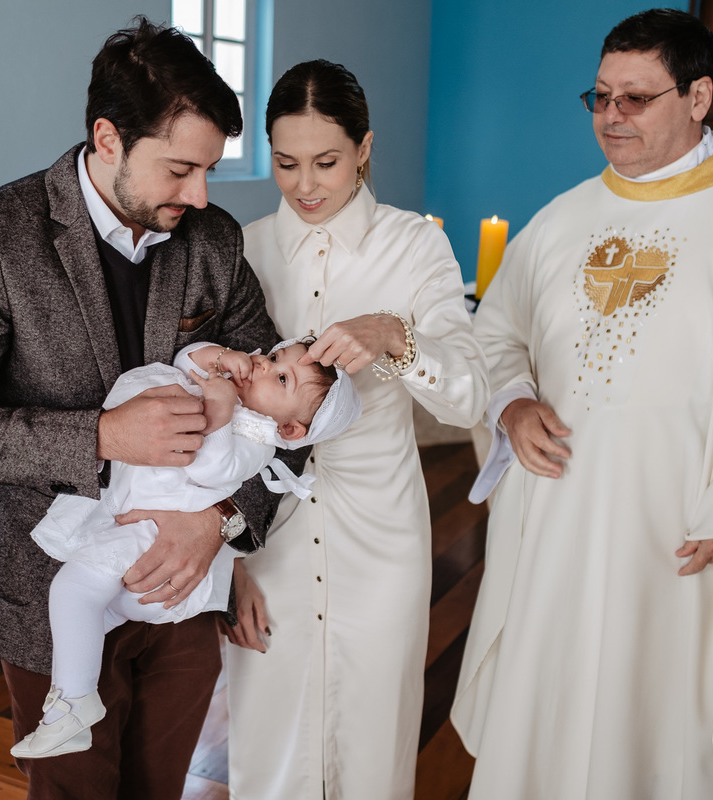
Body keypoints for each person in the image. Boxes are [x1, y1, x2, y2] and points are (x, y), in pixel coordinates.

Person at [0, 17, 302, 799]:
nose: (200, 195)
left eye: (209, 170)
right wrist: (102, 436)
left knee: (161, 784)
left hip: (182, 583)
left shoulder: (212, 241)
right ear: (108, 137)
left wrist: (219, 518)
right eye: (181, 169)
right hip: (43, 583)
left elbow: (288, 410)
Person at [452, 9, 713, 800]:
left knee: (659, 713)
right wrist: (510, 405)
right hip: (558, 517)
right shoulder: (564, 217)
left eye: (637, 99)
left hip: (683, 526)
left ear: (701, 96)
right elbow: (495, 333)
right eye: (601, 96)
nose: (612, 116)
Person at [224, 60, 489, 800]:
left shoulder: (415, 246)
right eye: (285, 163)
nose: (306, 185)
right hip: (266, 539)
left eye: (328, 162)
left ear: (365, 148)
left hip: (382, 539)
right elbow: (222, 417)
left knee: (374, 745)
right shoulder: (242, 249)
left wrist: (396, 337)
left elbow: (468, 397)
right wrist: (231, 561)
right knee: (268, 745)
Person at [14, 340, 360, 758]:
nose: (263, 368)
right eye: (272, 358)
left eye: (281, 378)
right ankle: (73, 704)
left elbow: (206, 463)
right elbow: (184, 361)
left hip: (156, 534)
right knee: (84, 612)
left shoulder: (255, 437)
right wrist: (216, 357)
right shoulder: (239, 391)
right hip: (136, 523)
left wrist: (221, 402)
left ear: (289, 429)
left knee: (71, 590)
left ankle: (72, 705)